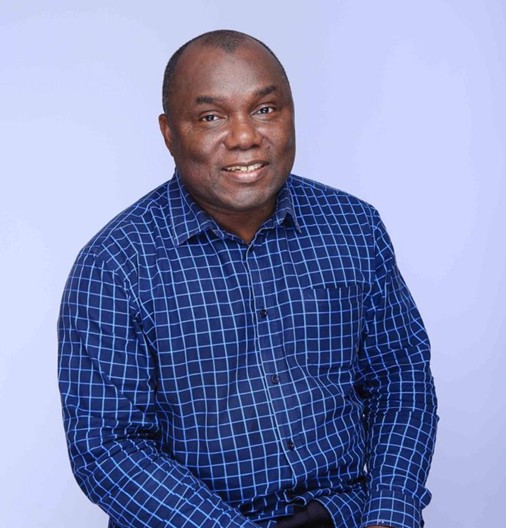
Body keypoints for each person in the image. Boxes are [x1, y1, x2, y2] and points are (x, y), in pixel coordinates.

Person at [58, 30, 438, 528]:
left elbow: (400, 378)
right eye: (211, 117)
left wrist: (390, 514)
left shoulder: (355, 227)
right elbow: (109, 449)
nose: (244, 137)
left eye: (264, 109)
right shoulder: (113, 266)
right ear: (169, 133)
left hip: (347, 515)